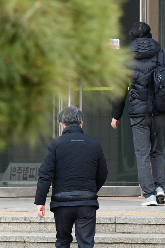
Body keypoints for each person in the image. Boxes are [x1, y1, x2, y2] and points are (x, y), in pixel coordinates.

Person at [111, 22, 165, 206]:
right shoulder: (163, 55)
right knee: (157, 151)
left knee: (142, 153)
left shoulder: (127, 59)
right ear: (149, 35)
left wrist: (116, 115)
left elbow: (120, 89)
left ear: (132, 38)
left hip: (138, 113)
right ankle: (159, 188)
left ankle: (149, 195)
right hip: (160, 112)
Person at [35, 106, 108, 248]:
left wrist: (40, 201)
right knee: (86, 243)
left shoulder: (55, 144)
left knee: (62, 241)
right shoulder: (94, 144)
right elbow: (103, 173)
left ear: (62, 125)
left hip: (62, 203)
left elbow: (45, 174)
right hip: (87, 203)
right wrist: (91, 190)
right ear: (81, 123)